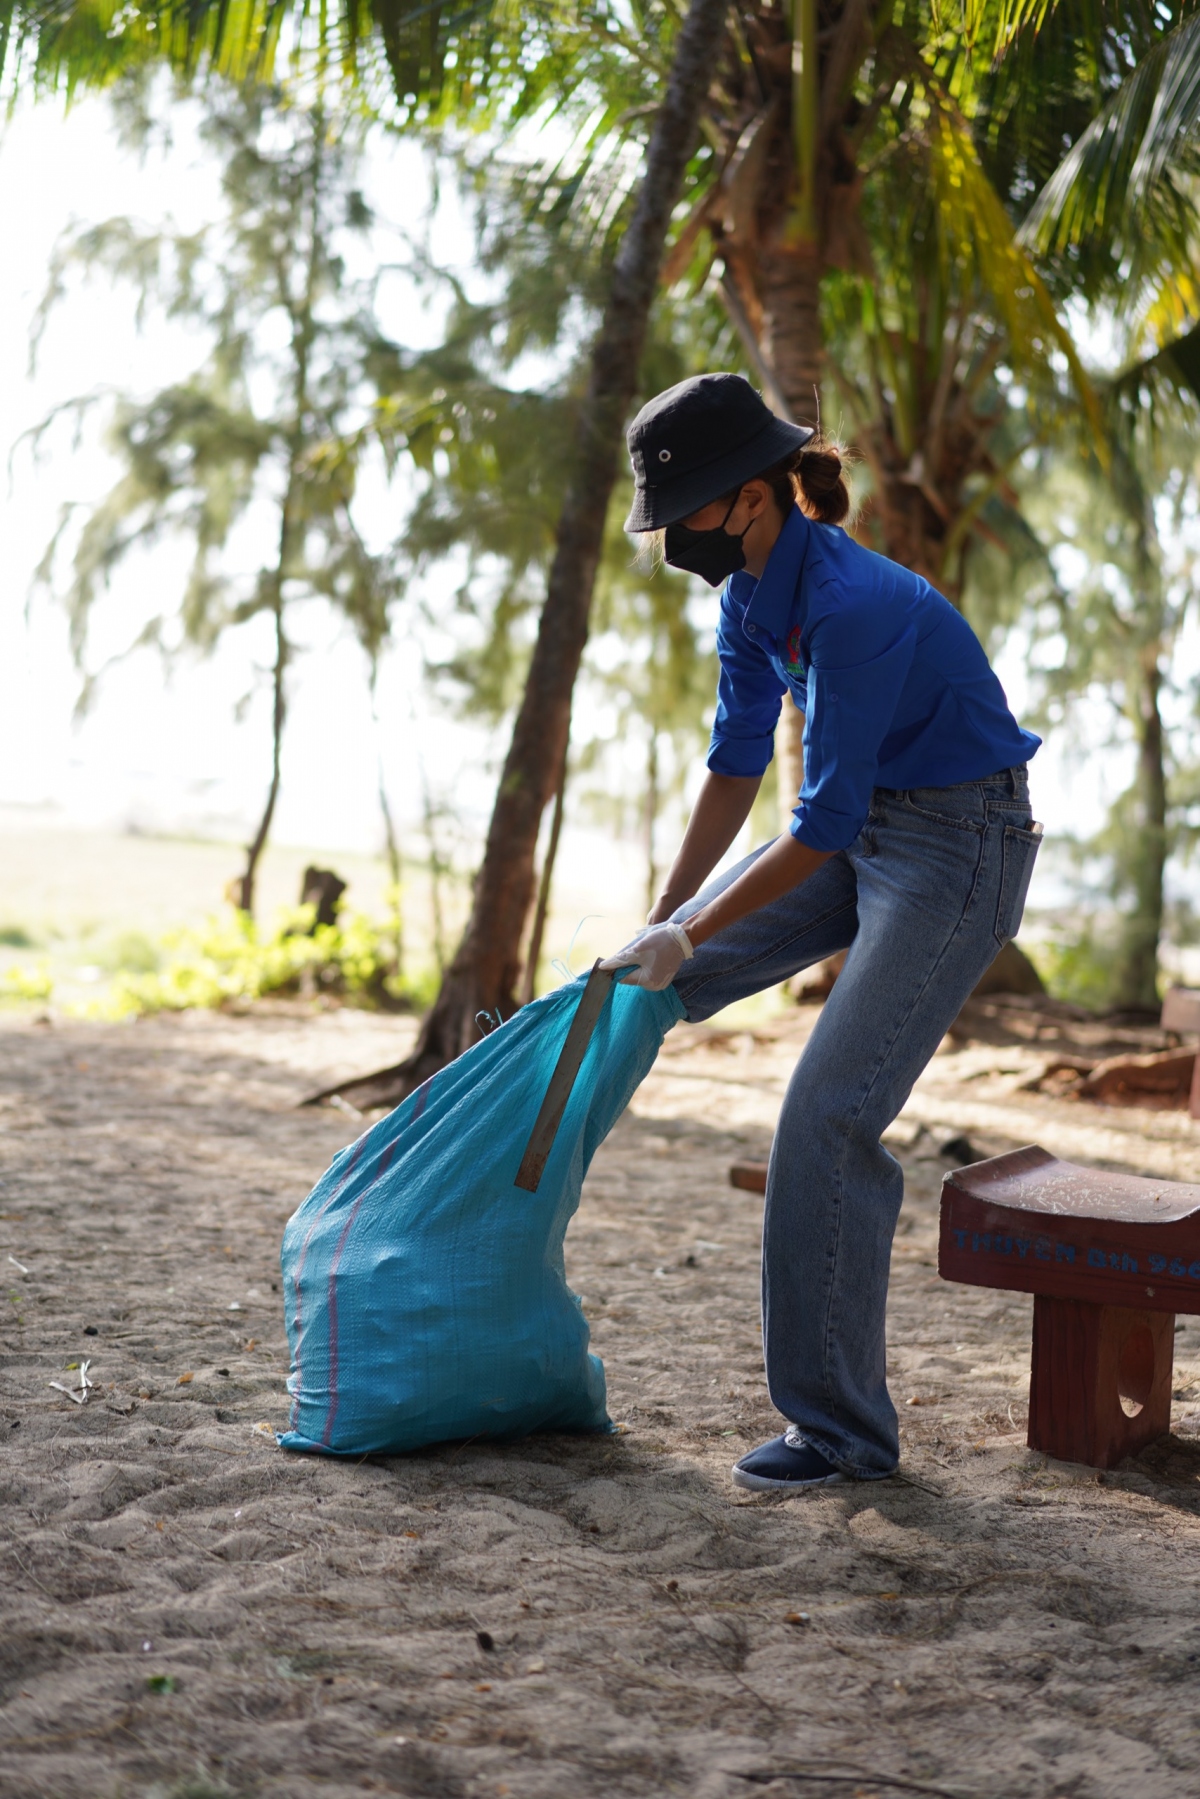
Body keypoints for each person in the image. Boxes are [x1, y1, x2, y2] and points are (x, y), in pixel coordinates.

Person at [600, 372, 1042, 1494]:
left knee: (825, 1114)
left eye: (685, 514)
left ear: (751, 498)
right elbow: (735, 763)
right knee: (627, 984)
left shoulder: (853, 605)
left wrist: (695, 930)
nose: (671, 542)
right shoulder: (747, 597)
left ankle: (842, 1433)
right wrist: (665, 921)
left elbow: (818, 822)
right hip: (863, 835)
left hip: (957, 846)